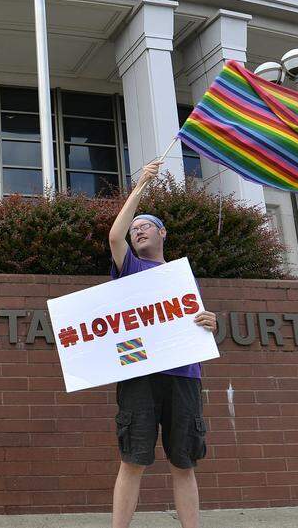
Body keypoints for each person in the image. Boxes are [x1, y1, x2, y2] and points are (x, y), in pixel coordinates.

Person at [108, 159, 218, 528]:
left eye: (145, 226)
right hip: (139, 374)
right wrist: (141, 185)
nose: (137, 230)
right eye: (134, 228)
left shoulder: (182, 277)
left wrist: (211, 322)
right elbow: (114, 237)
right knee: (132, 460)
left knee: (184, 462)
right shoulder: (130, 268)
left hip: (184, 376)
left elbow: (195, 323)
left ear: (163, 233)